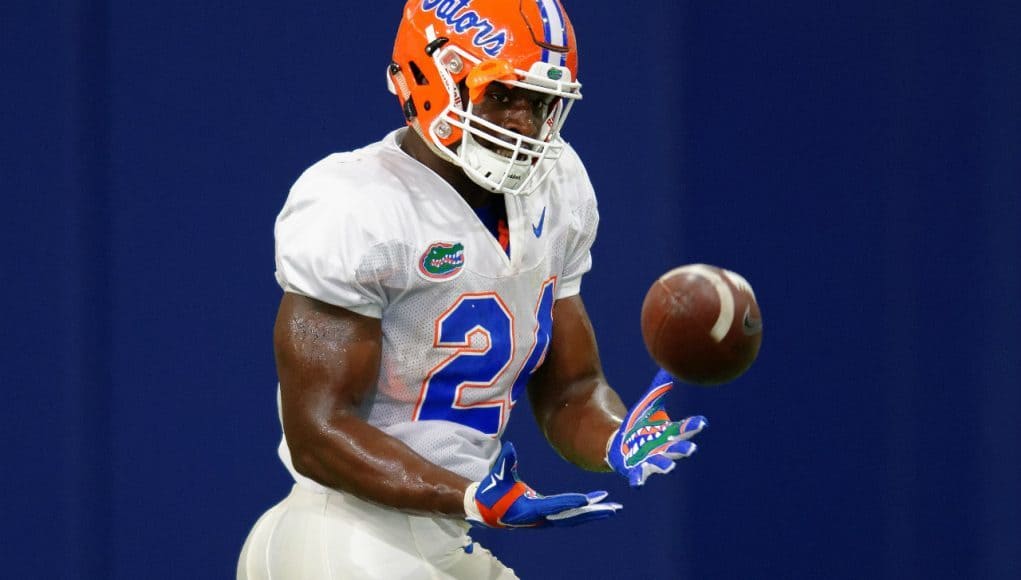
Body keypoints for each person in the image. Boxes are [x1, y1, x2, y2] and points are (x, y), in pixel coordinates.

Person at [237, 1, 707, 578]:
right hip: (346, 536)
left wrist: (617, 438)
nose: (521, 121)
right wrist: (470, 494)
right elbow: (319, 432)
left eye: (538, 103)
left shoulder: (558, 191)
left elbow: (571, 391)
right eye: (502, 95)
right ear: (432, 78)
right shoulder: (356, 203)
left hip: (436, 534)